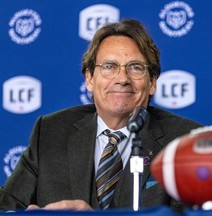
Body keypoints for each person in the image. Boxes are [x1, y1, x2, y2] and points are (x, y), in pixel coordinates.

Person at [0, 19, 201, 212]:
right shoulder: (51, 132)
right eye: (109, 67)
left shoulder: (185, 140)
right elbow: (6, 207)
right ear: (89, 79)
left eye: (135, 68)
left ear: (153, 82)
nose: (122, 79)